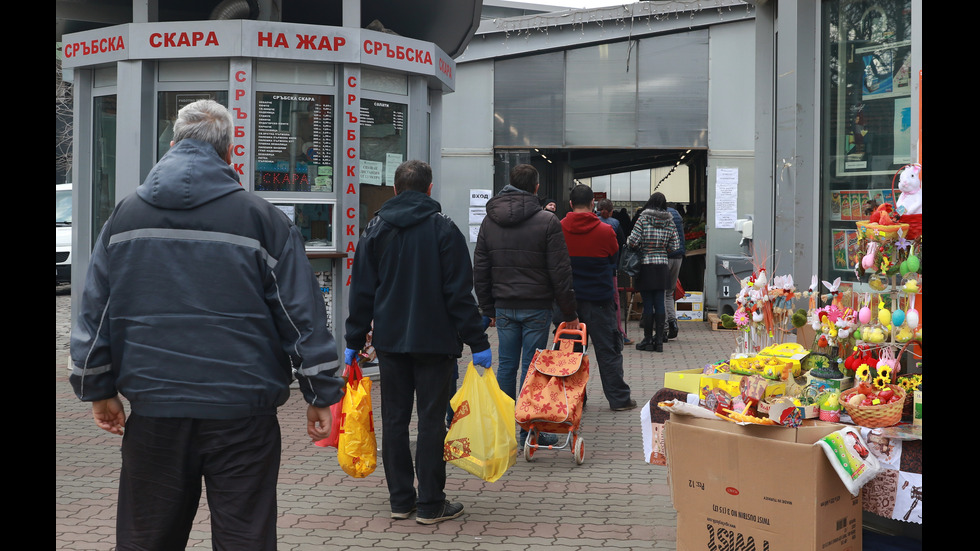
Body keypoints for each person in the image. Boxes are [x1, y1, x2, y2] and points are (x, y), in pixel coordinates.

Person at [69, 99, 344, 550]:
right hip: (242, 416)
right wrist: (320, 393)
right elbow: (301, 317)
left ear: (173, 144)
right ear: (230, 153)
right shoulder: (262, 219)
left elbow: (94, 312)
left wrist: (96, 386)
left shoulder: (124, 216)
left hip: (156, 411)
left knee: (146, 538)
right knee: (245, 537)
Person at [345, 160, 491, 525]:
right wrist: (478, 341)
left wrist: (352, 340)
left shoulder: (374, 229)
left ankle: (400, 500)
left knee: (394, 420)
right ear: (429, 189)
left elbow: (361, 292)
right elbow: (459, 294)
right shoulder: (444, 230)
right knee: (430, 422)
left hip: (391, 344)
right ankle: (430, 504)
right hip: (436, 342)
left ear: (394, 190)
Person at [474, 163, 579, 448]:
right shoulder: (547, 221)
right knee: (532, 369)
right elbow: (560, 271)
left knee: (506, 367)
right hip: (537, 307)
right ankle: (527, 432)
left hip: (505, 307)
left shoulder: (489, 220)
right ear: (535, 187)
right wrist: (568, 313)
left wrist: (487, 308)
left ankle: (504, 428)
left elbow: (480, 268)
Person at [561, 184, 637, 411]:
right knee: (608, 350)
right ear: (593, 204)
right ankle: (619, 399)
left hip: (569, 303)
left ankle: (574, 401)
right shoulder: (606, 231)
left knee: (571, 352)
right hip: (600, 300)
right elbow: (614, 258)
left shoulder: (559, 228)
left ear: (571, 204)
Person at [627, 192, 681, 352]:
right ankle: (659, 341)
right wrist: (662, 248)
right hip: (662, 266)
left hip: (646, 265)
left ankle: (647, 339)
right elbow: (675, 246)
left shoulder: (643, 219)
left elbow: (633, 241)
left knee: (648, 304)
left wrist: (640, 245)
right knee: (660, 302)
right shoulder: (670, 221)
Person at [596, 198, 631, 345]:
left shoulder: (592, 223)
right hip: (610, 269)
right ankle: (618, 333)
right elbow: (622, 245)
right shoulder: (615, 224)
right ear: (611, 212)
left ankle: (594, 332)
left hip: (592, 269)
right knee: (614, 301)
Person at [664, 200, 687, 341]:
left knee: (661, 293)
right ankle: (673, 323)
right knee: (669, 293)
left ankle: (665, 326)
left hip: (664, 257)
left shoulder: (661, 215)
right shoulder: (677, 215)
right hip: (678, 256)